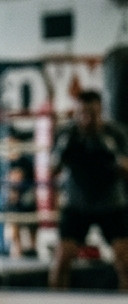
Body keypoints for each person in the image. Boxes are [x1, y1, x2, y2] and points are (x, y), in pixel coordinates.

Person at [49, 90, 128, 289]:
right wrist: (61, 152)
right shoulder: (67, 134)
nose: (87, 118)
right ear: (77, 112)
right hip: (77, 205)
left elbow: (127, 170)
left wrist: (113, 155)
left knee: (125, 261)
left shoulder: (115, 133)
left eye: (92, 113)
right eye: (83, 113)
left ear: (100, 111)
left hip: (111, 204)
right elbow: (52, 171)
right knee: (61, 260)